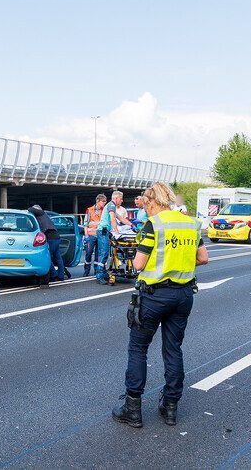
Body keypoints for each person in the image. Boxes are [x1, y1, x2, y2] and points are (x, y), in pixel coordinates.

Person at [112, 182, 208, 428]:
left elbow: (139, 265)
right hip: (184, 294)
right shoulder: (191, 224)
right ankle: (171, 407)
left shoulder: (153, 225)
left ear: (153, 201)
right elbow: (203, 258)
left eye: (145, 205)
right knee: (173, 349)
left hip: (154, 296)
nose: (145, 210)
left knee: (138, 348)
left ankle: (132, 407)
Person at [96, 191, 135, 284]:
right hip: (103, 231)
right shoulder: (111, 205)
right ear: (116, 198)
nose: (121, 201)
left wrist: (132, 225)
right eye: (121, 199)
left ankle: (103, 273)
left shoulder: (111, 206)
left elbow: (120, 218)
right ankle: (99, 275)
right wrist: (117, 233)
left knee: (104, 253)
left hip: (104, 231)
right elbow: (113, 219)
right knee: (104, 253)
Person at [28, 205, 65, 282]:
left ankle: (54, 275)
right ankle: (61, 276)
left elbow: (30, 209)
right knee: (58, 258)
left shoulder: (40, 212)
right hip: (56, 236)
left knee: (48, 258)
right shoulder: (45, 216)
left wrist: (28, 209)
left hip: (50, 237)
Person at [83, 194, 107, 277]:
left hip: (100, 235)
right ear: (98, 201)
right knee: (88, 253)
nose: (104, 203)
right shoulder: (89, 210)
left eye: (105, 201)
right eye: (103, 201)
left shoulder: (104, 210)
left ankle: (96, 271)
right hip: (91, 235)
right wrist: (86, 236)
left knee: (98, 254)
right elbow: (85, 223)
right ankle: (86, 270)